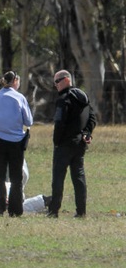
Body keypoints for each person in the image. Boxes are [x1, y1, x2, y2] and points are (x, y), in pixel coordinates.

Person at [0, 71, 33, 217]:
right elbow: (29, 121)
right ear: (15, 81)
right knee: (16, 178)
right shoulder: (20, 98)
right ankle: (15, 210)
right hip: (16, 143)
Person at [48, 69, 96, 218]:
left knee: (58, 178)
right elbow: (92, 118)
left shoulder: (64, 99)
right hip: (79, 144)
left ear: (67, 80)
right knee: (79, 178)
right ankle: (81, 212)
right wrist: (87, 133)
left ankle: (53, 211)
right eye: (54, 82)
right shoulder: (83, 97)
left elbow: (59, 122)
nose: (55, 85)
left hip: (64, 145)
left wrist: (56, 141)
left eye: (58, 81)